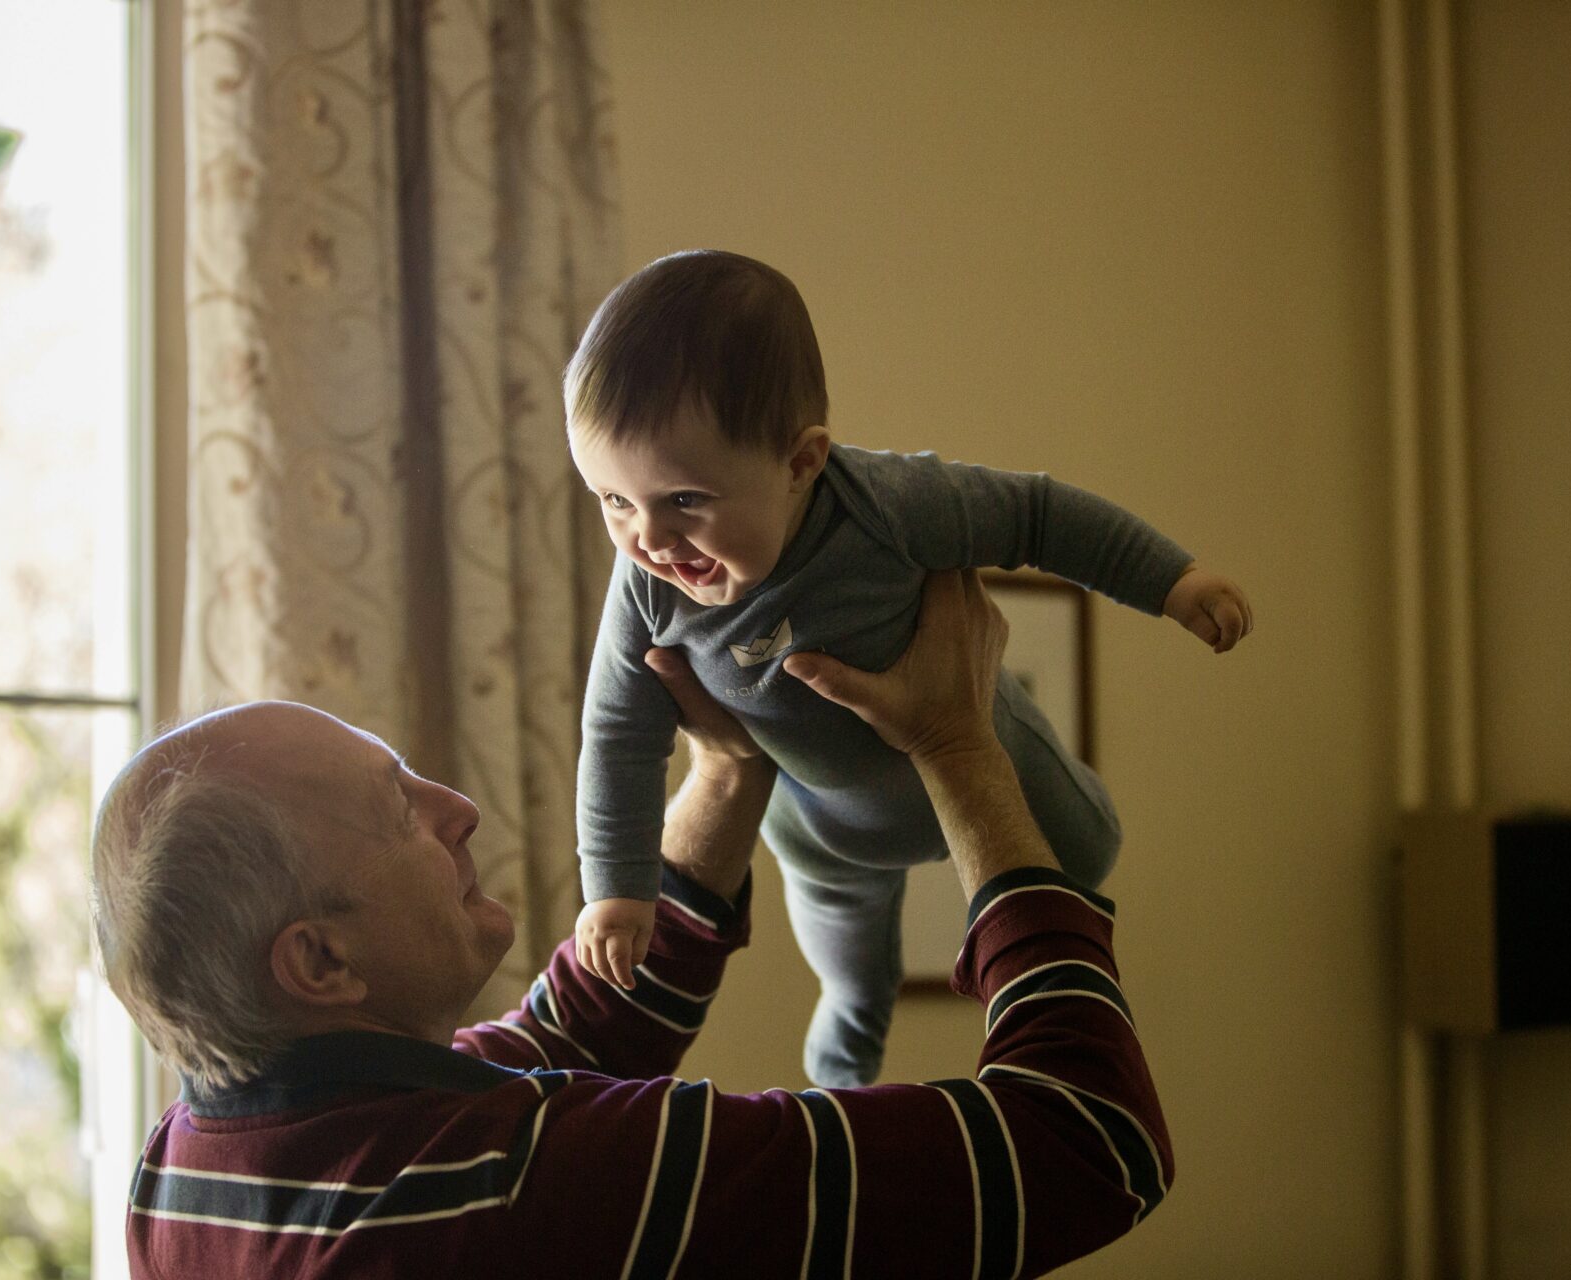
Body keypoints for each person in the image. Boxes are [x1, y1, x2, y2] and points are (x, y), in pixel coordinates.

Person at [91, 570, 1174, 1279]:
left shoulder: (186, 1169)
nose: (456, 808)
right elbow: (1087, 1139)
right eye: (397, 808)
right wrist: (958, 745)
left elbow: (576, 1028)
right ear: (320, 960)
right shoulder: (528, 1187)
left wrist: (730, 763)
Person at [568, 248, 1253, 1085]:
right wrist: (617, 888)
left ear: (800, 463)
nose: (649, 539)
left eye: (684, 500)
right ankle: (842, 1081)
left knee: (1090, 851)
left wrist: (1172, 580)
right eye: (612, 500)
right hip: (825, 831)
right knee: (854, 979)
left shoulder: (888, 506)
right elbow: (616, 735)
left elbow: (1038, 515)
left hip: (984, 749)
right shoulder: (645, 588)